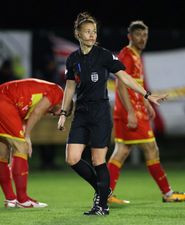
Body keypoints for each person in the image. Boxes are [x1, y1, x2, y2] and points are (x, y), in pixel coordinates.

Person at [57, 12, 167, 216]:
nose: (91, 35)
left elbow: (124, 77)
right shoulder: (72, 59)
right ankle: (103, 190)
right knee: (72, 158)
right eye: (87, 32)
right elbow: (70, 87)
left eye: (94, 31)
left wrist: (147, 95)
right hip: (81, 113)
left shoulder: (104, 55)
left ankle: (102, 205)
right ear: (78, 34)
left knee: (98, 160)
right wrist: (64, 112)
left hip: (100, 112)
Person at [106, 21, 185, 205]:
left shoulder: (136, 56)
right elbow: (120, 84)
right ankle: (168, 194)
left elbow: (136, 85)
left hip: (133, 110)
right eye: (138, 35)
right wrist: (130, 111)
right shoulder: (127, 55)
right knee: (151, 149)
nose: (142, 38)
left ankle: (105, 194)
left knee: (121, 151)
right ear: (130, 36)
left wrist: (147, 103)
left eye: (145, 35)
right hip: (130, 112)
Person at [0, 78, 66, 208]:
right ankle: (23, 200)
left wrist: (25, 134)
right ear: (64, 106)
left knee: (1, 153)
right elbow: (36, 113)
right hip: (2, 101)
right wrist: (27, 137)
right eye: (60, 114)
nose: (55, 115)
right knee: (21, 148)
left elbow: (23, 117)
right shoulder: (58, 92)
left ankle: (10, 199)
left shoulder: (37, 100)